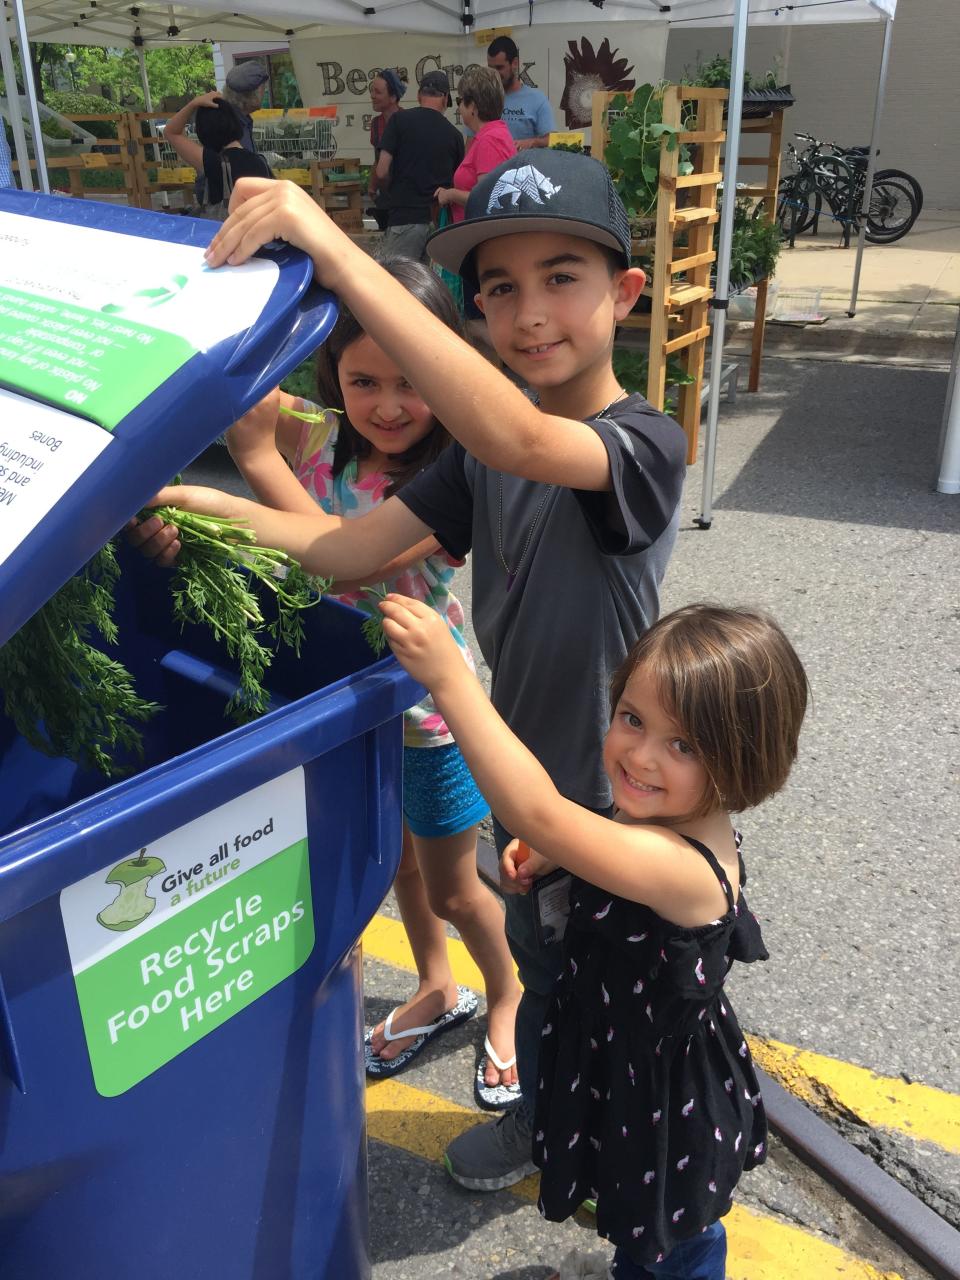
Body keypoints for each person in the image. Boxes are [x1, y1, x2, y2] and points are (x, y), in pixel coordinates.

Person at [129, 150, 687, 1154]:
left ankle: (633, 1159)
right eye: (502, 288)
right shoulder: (478, 458)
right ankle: (549, 1119)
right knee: (544, 958)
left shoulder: (641, 446)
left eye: (562, 275)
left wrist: (337, 255)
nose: (530, 313)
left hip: (617, 798)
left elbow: (522, 435)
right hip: (525, 779)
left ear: (627, 291)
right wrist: (195, 501)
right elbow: (344, 549)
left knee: (620, 992)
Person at [377, 596, 809, 1278]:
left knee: (674, 1244)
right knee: (638, 1227)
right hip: (625, 1065)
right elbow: (599, 829)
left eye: (683, 744)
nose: (639, 756)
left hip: (668, 1102)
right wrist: (558, 856)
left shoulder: (686, 868)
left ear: (741, 759)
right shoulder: (661, 816)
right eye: (632, 718)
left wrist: (452, 681)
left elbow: (543, 813)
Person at [221, 258, 523, 1107]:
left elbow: (341, 564)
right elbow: (225, 382)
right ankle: (435, 987)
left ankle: (506, 993)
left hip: (432, 715)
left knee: (459, 886)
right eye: (363, 380)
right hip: (351, 711)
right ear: (333, 375)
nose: (388, 405)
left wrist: (248, 453)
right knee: (396, 869)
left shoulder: (452, 474)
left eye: (409, 381)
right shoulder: (319, 432)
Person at [374, 70, 464, 262]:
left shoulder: (398, 121)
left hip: (404, 218)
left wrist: (391, 191)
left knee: (396, 286)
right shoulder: (455, 135)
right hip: (439, 225)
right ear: (445, 98)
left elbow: (381, 171)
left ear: (418, 95)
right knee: (430, 290)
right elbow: (458, 183)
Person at [163, 91, 272, 214]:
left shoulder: (212, 161)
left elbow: (171, 132)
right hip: (259, 230)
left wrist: (193, 103)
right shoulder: (260, 162)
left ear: (204, 132)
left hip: (227, 230)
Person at [435, 66, 515, 223]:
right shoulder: (493, 135)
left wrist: (450, 194)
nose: (458, 107)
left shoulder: (489, 141)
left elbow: (487, 197)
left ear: (473, 107)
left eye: (460, 100)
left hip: (479, 236)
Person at [486, 35, 555, 151]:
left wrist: (532, 142)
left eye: (499, 67)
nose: (494, 74)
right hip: (491, 169)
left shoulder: (537, 99)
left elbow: (552, 140)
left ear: (515, 63)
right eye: (491, 68)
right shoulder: (484, 99)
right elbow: (472, 144)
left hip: (525, 167)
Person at [367, 68, 406, 232]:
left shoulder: (407, 121)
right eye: (372, 91)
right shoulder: (376, 124)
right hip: (386, 194)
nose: (372, 96)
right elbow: (378, 158)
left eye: (378, 92)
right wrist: (372, 185)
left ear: (393, 97)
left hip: (405, 195)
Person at [223, 60, 270, 154]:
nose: (265, 92)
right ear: (251, 97)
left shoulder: (241, 120)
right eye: (263, 89)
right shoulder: (230, 127)